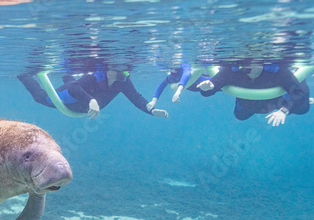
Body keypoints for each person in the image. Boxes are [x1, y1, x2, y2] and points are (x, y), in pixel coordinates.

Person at [17, 70, 169, 119]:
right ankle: (23, 75)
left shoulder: (123, 80)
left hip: (82, 101)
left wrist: (150, 110)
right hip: (71, 98)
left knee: (73, 80)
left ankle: (67, 72)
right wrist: (91, 101)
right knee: (40, 97)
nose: (123, 73)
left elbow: (135, 97)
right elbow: (73, 90)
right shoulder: (96, 76)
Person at [197, 65, 310, 126]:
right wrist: (207, 88)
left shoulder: (279, 71)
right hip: (249, 102)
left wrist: (284, 110)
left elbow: (298, 93)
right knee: (240, 116)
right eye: (243, 65)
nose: (246, 68)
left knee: (303, 109)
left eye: (251, 64)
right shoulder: (232, 70)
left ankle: (299, 79)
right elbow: (212, 86)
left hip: (278, 101)